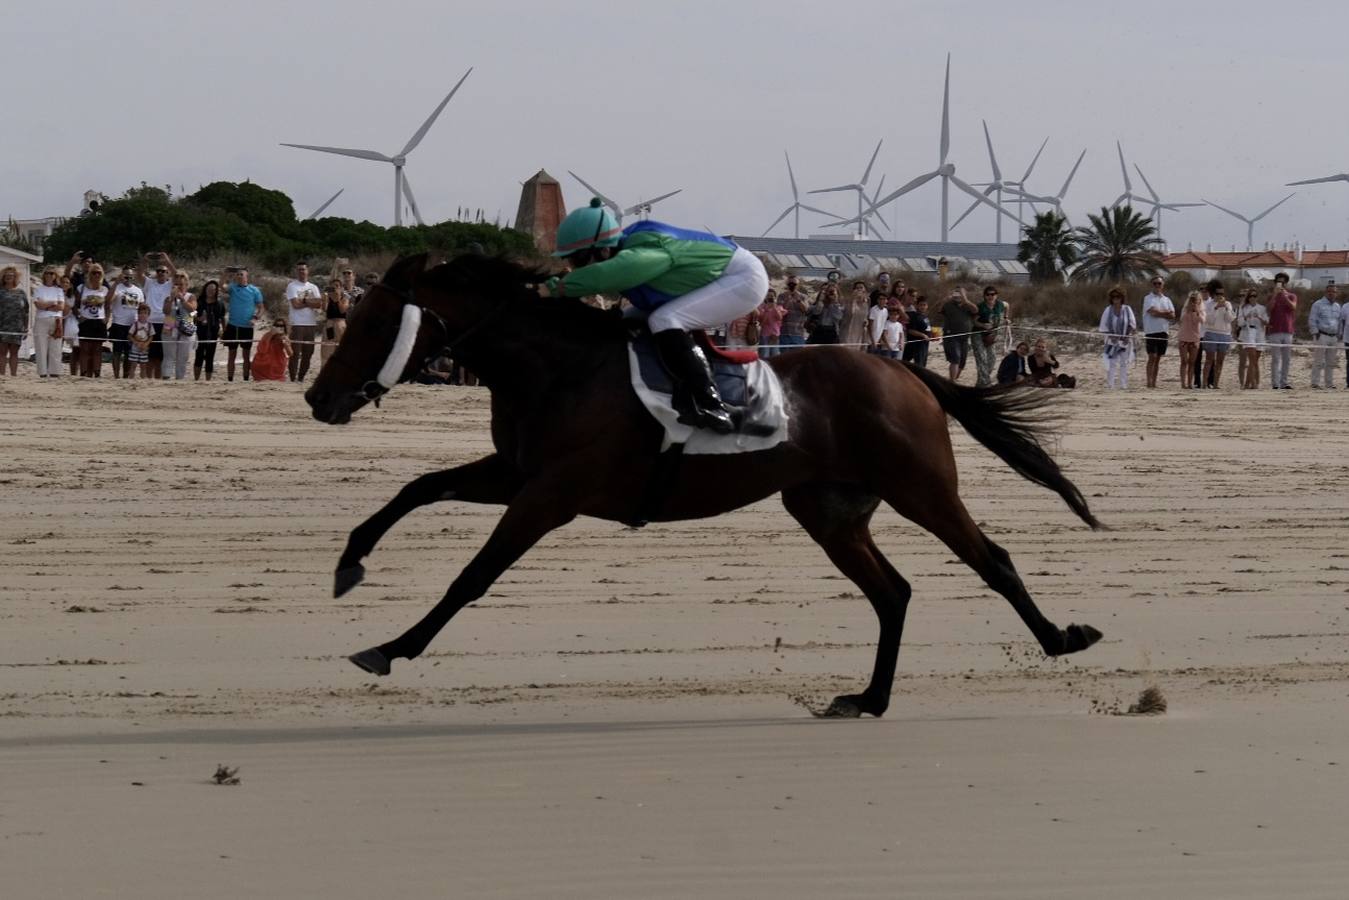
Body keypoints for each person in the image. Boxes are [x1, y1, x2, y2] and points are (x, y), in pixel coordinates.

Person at [541, 199, 768, 433]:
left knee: (665, 320)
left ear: (604, 250)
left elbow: (608, 273)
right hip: (719, 277)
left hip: (743, 278)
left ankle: (711, 404)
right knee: (624, 319)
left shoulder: (643, 250)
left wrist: (558, 288)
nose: (576, 268)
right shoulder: (630, 247)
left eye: (577, 260)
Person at [138, 252, 177, 379]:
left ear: (167, 274)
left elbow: (177, 275)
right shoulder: (150, 283)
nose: (160, 273)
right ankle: (149, 379)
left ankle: (160, 378)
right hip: (150, 321)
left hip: (168, 320)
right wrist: (145, 260)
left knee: (164, 353)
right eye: (158, 271)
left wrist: (167, 261)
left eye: (163, 271)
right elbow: (139, 274)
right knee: (149, 353)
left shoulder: (170, 284)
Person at [222, 268, 264, 381]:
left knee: (246, 355)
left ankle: (245, 379)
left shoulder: (254, 290)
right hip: (233, 325)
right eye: (238, 275)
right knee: (232, 355)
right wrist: (224, 274)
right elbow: (222, 287)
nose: (239, 276)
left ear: (247, 276)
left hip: (247, 327)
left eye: (242, 274)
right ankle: (230, 379)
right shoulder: (233, 287)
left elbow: (261, 308)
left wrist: (255, 318)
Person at [106, 266, 145, 378]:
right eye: (126, 276)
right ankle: (116, 376)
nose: (128, 278)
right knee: (117, 351)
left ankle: (126, 376)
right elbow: (108, 300)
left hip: (132, 325)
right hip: (118, 324)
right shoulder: (118, 288)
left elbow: (142, 307)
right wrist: (116, 283)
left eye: (130, 276)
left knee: (129, 352)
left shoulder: (138, 290)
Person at [285, 262, 321, 382]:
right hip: (297, 323)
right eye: (299, 270)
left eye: (303, 269)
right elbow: (295, 304)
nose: (302, 272)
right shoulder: (292, 286)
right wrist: (310, 302)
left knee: (308, 353)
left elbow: (319, 304)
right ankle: (292, 378)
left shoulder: (313, 287)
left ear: (308, 271)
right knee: (295, 353)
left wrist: (304, 301)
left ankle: (301, 378)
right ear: (297, 271)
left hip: (311, 323)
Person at [75, 263, 110, 377]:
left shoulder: (104, 289)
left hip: (99, 320)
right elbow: (74, 304)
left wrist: (107, 318)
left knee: (97, 349)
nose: (96, 275)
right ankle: (84, 372)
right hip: (86, 320)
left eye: (98, 273)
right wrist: (79, 316)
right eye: (93, 272)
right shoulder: (82, 287)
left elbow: (108, 305)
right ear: (89, 274)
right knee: (84, 348)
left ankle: (97, 372)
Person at [1140, 276, 1175, 388]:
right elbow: (1152, 312)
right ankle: (1149, 382)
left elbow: (1173, 315)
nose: (1157, 285)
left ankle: (1154, 383)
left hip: (1163, 331)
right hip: (1151, 331)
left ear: (1162, 285)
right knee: (1152, 356)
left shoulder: (1167, 299)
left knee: (1158, 358)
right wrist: (1166, 313)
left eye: (1159, 283)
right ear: (1152, 285)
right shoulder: (1148, 298)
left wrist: (1161, 313)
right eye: (1155, 283)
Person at [31, 266, 66, 378]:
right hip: (41, 319)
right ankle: (42, 372)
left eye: (52, 273)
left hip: (56, 319)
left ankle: (55, 372)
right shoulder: (38, 289)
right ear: (44, 275)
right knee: (41, 347)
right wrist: (51, 304)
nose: (50, 275)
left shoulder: (59, 290)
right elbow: (37, 305)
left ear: (55, 276)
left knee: (55, 347)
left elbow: (61, 306)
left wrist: (45, 305)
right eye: (47, 273)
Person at [1099, 288, 1137, 389]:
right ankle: (1110, 385)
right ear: (1111, 298)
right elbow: (1103, 326)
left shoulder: (1127, 309)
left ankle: (1123, 385)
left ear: (1122, 298)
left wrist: (1127, 336)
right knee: (1112, 363)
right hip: (1112, 341)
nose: (1116, 299)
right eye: (1114, 297)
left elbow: (1132, 324)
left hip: (1125, 341)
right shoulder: (1108, 309)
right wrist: (1112, 336)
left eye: (1118, 297)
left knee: (1124, 363)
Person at [161, 273, 196, 380]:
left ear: (186, 284)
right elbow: (165, 311)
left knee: (183, 357)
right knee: (168, 355)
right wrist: (172, 298)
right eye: (176, 284)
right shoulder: (168, 298)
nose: (178, 287)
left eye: (180, 284)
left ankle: (180, 378)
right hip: (169, 326)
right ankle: (166, 377)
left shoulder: (190, 296)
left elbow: (192, 309)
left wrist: (182, 299)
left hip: (186, 326)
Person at [972, 285, 1009, 387]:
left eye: (993, 294)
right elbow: (974, 321)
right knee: (982, 358)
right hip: (978, 334)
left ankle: (981, 382)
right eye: (988, 294)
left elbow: (1007, 305)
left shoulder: (1000, 304)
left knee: (992, 359)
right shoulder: (980, 307)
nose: (990, 296)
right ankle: (985, 383)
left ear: (996, 295)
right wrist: (983, 325)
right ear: (984, 296)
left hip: (991, 335)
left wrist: (1006, 317)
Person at [1201, 284, 1236, 389]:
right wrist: (1216, 308)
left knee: (1220, 361)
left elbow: (1230, 319)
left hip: (1224, 334)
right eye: (1218, 294)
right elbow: (1209, 321)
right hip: (1211, 333)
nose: (1220, 296)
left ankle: (1216, 384)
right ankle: (1204, 384)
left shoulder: (1228, 304)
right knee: (1209, 360)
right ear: (1213, 294)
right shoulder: (1208, 305)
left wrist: (1225, 308)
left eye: (1222, 293)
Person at [940, 287, 979, 381]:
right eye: (956, 293)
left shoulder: (967, 305)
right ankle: (952, 381)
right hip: (951, 336)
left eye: (960, 293)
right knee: (955, 359)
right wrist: (945, 299)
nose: (958, 296)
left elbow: (975, 310)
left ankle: (953, 380)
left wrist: (965, 299)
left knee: (962, 362)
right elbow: (939, 309)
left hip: (964, 338)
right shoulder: (948, 304)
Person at [1267, 273, 1297, 390]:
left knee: (1286, 358)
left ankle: (1284, 382)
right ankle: (1275, 383)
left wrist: (1284, 296)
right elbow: (1268, 309)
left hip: (1288, 330)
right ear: (1275, 283)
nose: (1281, 284)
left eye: (1283, 282)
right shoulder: (1271, 296)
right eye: (1279, 282)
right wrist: (1275, 295)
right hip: (1275, 330)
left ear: (1286, 283)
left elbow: (1293, 307)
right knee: (1275, 358)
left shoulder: (1291, 295)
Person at [1307, 283, 1340, 389]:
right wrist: (1315, 333)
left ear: (1336, 293)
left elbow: (1339, 321)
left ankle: (1329, 383)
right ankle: (1315, 383)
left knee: (1331, 362)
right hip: (1321, 335)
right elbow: (1312, 319)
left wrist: (1339, 335)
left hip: (1334, 337)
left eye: (1334, 292)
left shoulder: (1337, 306)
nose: (1331, 293)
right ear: (1326, 292)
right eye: (1329, 291)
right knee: (1319, 361)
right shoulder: (1318, 304)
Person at [194, 280, 225, 381]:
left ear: (216, 291)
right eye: (209, 289)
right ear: (205, 289)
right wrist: (198, 318)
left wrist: (224, 331)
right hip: (200, 334)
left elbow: (222, 317)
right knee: (198, 356)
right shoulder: (199, 302)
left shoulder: (219, 304)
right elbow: (190, 315)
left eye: (213, 290)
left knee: (210, 358)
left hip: (213, 334)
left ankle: (208, 381)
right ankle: (196, 380)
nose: (210, 291)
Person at [1238, 289, 1269, 390]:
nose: (1253, 298)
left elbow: (1267, 322)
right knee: (1252, 358)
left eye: (1255, 296)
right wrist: (1246, 317)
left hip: (1259, 333)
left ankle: (1254, 383)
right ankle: (1249, 383)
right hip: (1248, 332)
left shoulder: (1262, 308)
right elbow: (1240, 323)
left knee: (1255, 360)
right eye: (1251, 296)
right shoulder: (1243, 308)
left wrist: (1259, 317)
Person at [0, 266, 28, 376]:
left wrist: (25, 327)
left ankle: (13, 376)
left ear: (15, 277)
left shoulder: (21, 293)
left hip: (17, 326)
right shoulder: (0, 292)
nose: (8, 277)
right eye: (6, 275)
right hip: (2, 326)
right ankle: (2, 376)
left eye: (11, 275)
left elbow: (26, 311)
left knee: (14, 353)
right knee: (2, 353)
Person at [1177, 291, 1206, 390]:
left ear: (1199, 301)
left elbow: (1202, 321)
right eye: (1192, 300)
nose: (1194, 302)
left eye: (1196, 300)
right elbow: (1182, 319)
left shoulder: (1201, 311)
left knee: (1192, 362)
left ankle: (1190, 383)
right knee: (1184, 361)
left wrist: (1197, 312)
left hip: (1194, 338)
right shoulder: (1185, 310)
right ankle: (1183, 383)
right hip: (1184, 337)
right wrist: (1189, 310)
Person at [777, 276, 810, 351]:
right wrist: (788, 299)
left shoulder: (803, 296)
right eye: (790, 283)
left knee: (797, 359)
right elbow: (780, 311)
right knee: (784, 357)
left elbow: (806, 310)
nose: (792, 285)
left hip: (798, 332)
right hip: (784, 332)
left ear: (798, 285)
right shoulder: (782, 296)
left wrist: (798, 300)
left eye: (794, 284)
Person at [320, 280, 349, 366]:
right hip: (330, 324)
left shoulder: (345, 297)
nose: (334, 288)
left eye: (337, 286)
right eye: (332, 287)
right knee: (327, 349)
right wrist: (326, 298)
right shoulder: (328, 297)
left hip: (341, 324)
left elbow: (342, 310)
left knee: (341, 349)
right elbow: (324, 309)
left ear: (341, 288)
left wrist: (338, 299)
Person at [902, 295, 932, 367]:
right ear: (917, 306)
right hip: (915, 345)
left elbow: (927, 329)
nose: (922, 307)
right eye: (921, 305)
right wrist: (923, 335)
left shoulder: (925, 316)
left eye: (924, 305)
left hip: (924, 345)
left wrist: (932, 335)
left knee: (922, 365)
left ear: (927, 306)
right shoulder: (915, 316)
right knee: (916, 365)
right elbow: (910, 330)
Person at [127, 303, 156, 379]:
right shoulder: (135, 324)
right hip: (135, 348)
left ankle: (143, 379)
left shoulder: (150, 325)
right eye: (141, 313)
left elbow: (151, 336)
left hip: (144, 349)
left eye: (145, 313)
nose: (143, 315)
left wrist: (146, 344)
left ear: (148, 315)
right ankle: (130, 379)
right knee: (133, 365)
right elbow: (130, 335)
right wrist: (136, 343)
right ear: (138, 314)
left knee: (143, 365)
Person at [840, 280, 870, 348]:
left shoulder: (866, 303)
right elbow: (850, 313)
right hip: (848, 331)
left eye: (861, 287)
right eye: (857, 288)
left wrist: (866, 321)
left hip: (859, 332)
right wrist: (853, 299)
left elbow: (866, 316)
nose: (859, 290)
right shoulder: (848, 302)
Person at [60, 275, 80, 376]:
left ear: (70, 285)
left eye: (67, 282)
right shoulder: (56, 293)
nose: (65, 284)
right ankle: (55, 370)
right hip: (58, 319)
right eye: (63, 282)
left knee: (75, 347)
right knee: (57, 346)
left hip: (70, 321)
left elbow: (72, 308)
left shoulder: (72, 296)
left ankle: (73, 372)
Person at [755, 289, 783, 357]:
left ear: (775, 297)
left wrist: (774, 308)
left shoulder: (779, 307)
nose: (769, 297)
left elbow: (780, 318)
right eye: (768, 296)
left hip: (775, 335)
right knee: (764, 356)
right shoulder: (761, 307)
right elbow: (762, 322)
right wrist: (767, 309)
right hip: (765, 334)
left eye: (771, 296)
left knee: (775, 356)